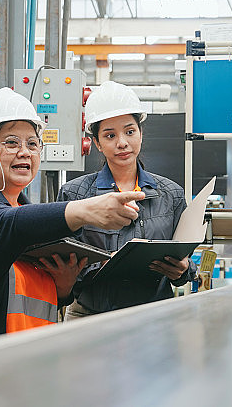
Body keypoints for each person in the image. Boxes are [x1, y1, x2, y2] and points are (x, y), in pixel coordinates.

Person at [0, 88, 145, 349]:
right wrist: (87, 210)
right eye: (11, 143)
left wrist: (63, 287)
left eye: (32, 144)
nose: (25, 152)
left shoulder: (33, 220)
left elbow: (26, 300)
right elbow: (10, 224)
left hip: (19, 370)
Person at [57, 81, 198, 318]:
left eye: (129, 131)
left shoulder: (171, 194)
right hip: (91, 317)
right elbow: (64, 265)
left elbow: (185, 262)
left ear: (141, 134)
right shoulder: (75, 194)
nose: (122, 142)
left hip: (155, 319)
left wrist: (183, 270)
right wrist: (102, 264)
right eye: (110, 135)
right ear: (97, 144)